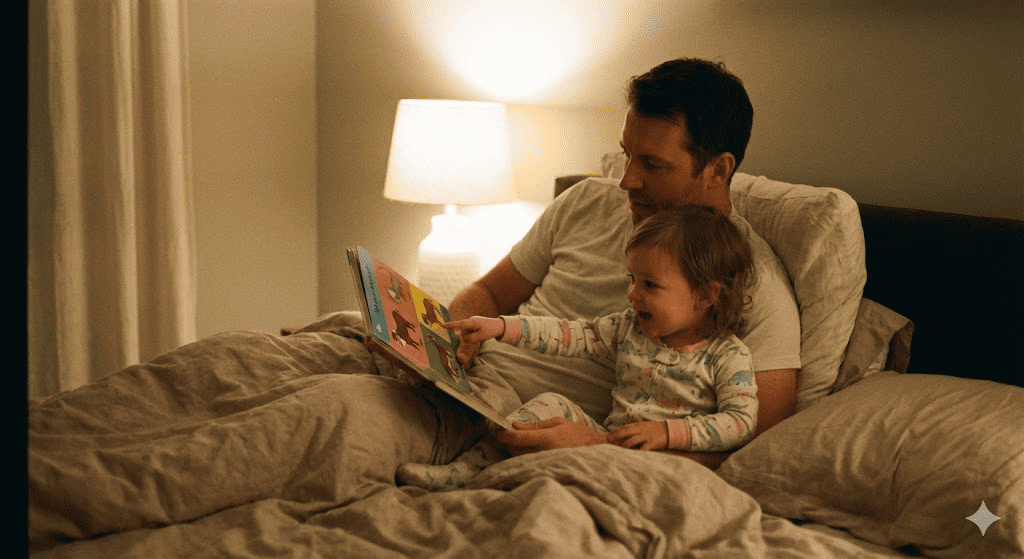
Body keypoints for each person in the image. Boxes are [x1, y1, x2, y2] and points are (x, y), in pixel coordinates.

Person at [449, 58, 800, 470]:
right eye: (627, 155)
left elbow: (753, 449)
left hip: (548, 437)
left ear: (717, 169)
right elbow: (488, 293)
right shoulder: (585, 200)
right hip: (464, 386)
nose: (627, 181)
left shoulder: (749, 279)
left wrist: (600, 448)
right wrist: (447, 343)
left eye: (652, 164)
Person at [398, 205, 759, 490]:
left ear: (705, 296)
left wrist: (667, 433)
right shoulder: (629, 328)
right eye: (633, 279)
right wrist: (499, 327)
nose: (632, 294)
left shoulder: (728, 357)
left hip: (660, 466)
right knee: (549, 405)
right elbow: (567, 334)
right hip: (603, 442)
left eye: (649, 285)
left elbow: (741, 422)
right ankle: (466, 472)